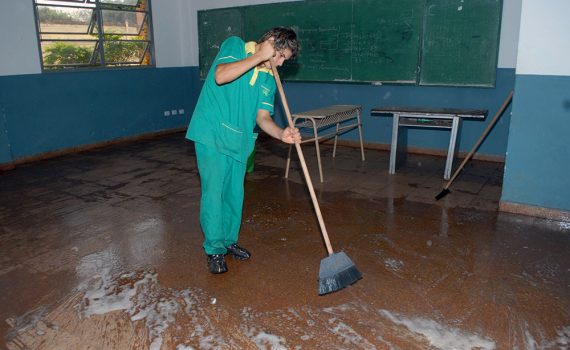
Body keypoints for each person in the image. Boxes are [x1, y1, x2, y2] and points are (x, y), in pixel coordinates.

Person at [186, 27, 301, 274]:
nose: (280, 64)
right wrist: (260, 56)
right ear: (271, 42)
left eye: (284, 60)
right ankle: (214, 249)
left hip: (239, 140)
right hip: (212, 134)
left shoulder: (269, 79)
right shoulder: (236, 46)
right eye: (280, 56)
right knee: (214, 192)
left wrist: (281, 133)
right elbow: (221, 75)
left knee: (234, 193)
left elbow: (262, 117)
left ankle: (228, 241)